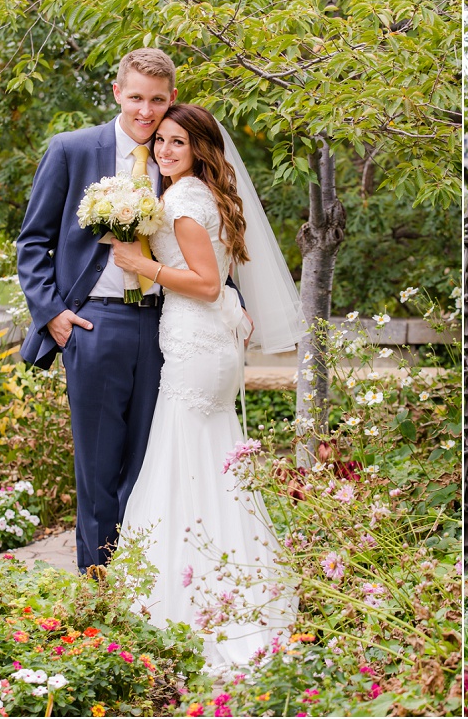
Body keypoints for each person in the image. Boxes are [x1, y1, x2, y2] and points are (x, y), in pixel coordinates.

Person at [112, 103, 302, 668]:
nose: (167, 150)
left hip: (197, 346)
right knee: (210, 464)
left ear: (199, 149)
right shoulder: (200, 194)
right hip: (206, 344)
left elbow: (206, 281)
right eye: (163, 141)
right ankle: (229, 585)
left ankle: (186, 604)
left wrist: (136, 263)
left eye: (179, 142)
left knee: (184, 463)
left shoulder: (184, 200)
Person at [18, 48, 178, 573]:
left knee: (151, 462)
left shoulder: (177, 156)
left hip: (165, 325)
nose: (146, 111)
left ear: (171, 99)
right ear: (117, 93)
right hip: (92, 323)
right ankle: (98, 584)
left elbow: (209, 240)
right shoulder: (72, 150)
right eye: (136, 97)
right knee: (98, 467)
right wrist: (53, 315)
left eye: (157, 100)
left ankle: (144, 585)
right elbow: (32, 242)